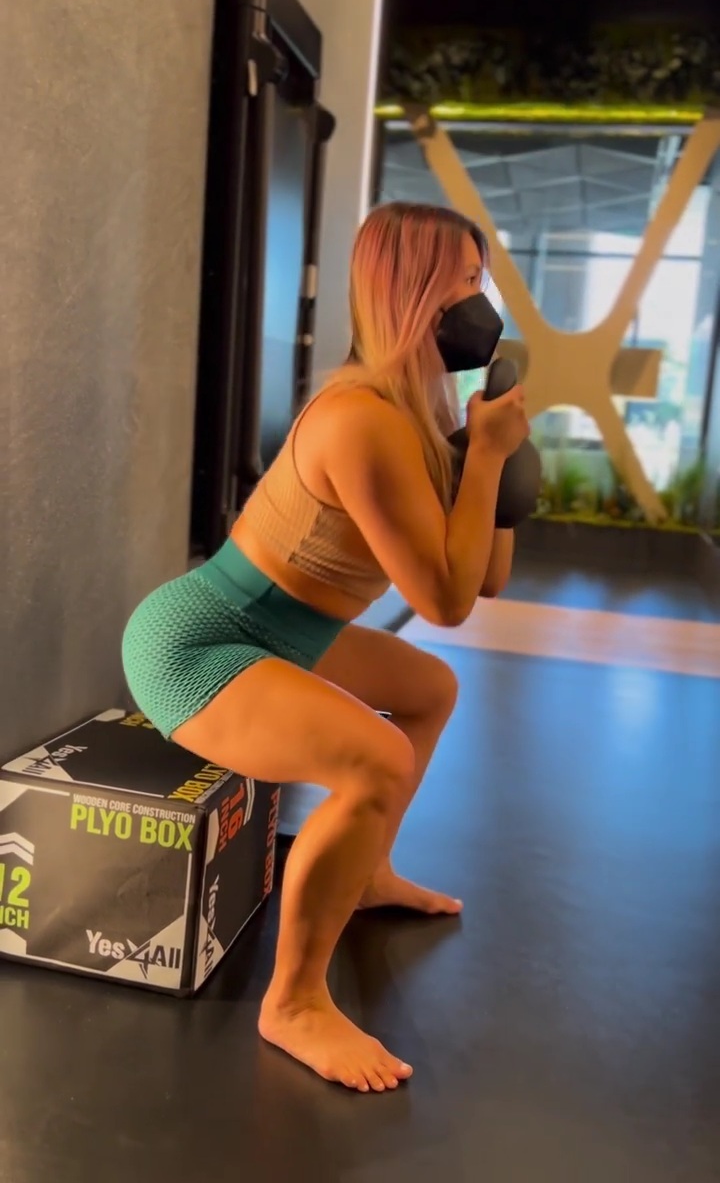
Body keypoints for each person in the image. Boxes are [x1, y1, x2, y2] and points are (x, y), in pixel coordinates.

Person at [122, 201, 529, 1093]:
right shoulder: (361, 418)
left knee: (428, 690)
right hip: (198, 642)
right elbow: (444, 601)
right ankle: (295, 1002)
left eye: (482, 280)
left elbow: (485, 579)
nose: (483, 300)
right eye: (467, 279)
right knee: (375, 757)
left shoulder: (423, 409)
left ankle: (366, 868)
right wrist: (488, 460)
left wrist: (496, 467)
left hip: (284, 631)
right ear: (415, 290)